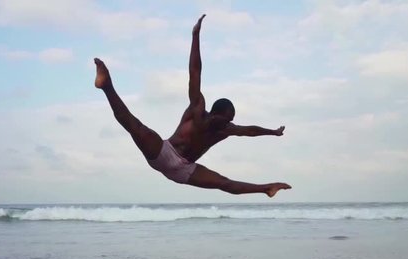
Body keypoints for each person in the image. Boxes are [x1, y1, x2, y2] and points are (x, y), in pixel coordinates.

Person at [94, 14, 291, 197]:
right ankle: (106, 86)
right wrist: (195, 35)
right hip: (164, 153)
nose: (228, 123)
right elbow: (195, 71)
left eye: (230, 120)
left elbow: (250, 131)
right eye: (226, 118)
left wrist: (273, 132)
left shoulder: (226, 129)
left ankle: (266, 189)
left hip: (185, 169)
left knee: (224, 183)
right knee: (134, 126)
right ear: (216, 112)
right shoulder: (197, 108)